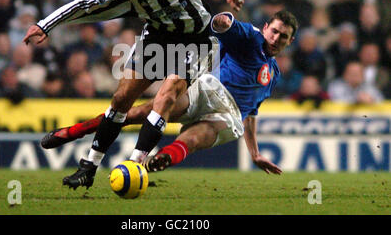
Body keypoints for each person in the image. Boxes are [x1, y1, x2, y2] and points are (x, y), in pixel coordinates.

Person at [23, 0, 244, 190]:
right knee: (121, 98)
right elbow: (86, 3)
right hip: (158, 37)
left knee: (167, 94)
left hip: (197, 39)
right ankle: (89, 167)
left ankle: (134, 166)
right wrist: (45, 25)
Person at [41, 10, 298, 183]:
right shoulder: (251, 38)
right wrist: (224, 22)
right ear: (265, 28)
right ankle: (75, 131)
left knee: (197, 138)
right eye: (273, 31)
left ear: (290, 41)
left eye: (283, 36)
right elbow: (228, 27)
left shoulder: (273, 74)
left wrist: (254, 153)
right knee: (140, 113)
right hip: (208, 89)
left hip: (230, 115)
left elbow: (251, 113)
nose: (275, 38)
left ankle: (163, 158)